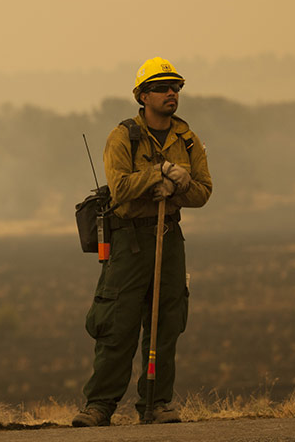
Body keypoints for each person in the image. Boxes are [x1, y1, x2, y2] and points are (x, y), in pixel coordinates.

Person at [73, 57, 212, 427]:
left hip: (169, 238)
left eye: (176, 87)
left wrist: (180, 186)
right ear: (143, 95)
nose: (172, 93)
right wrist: (157, 175)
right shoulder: (122, 136)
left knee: (166, 323)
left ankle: (156, 404)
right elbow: (119, 188)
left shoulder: (188, 138)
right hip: (128, 242)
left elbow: (204, 191)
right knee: (117, 323)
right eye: (163, 88)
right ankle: (99, 406)